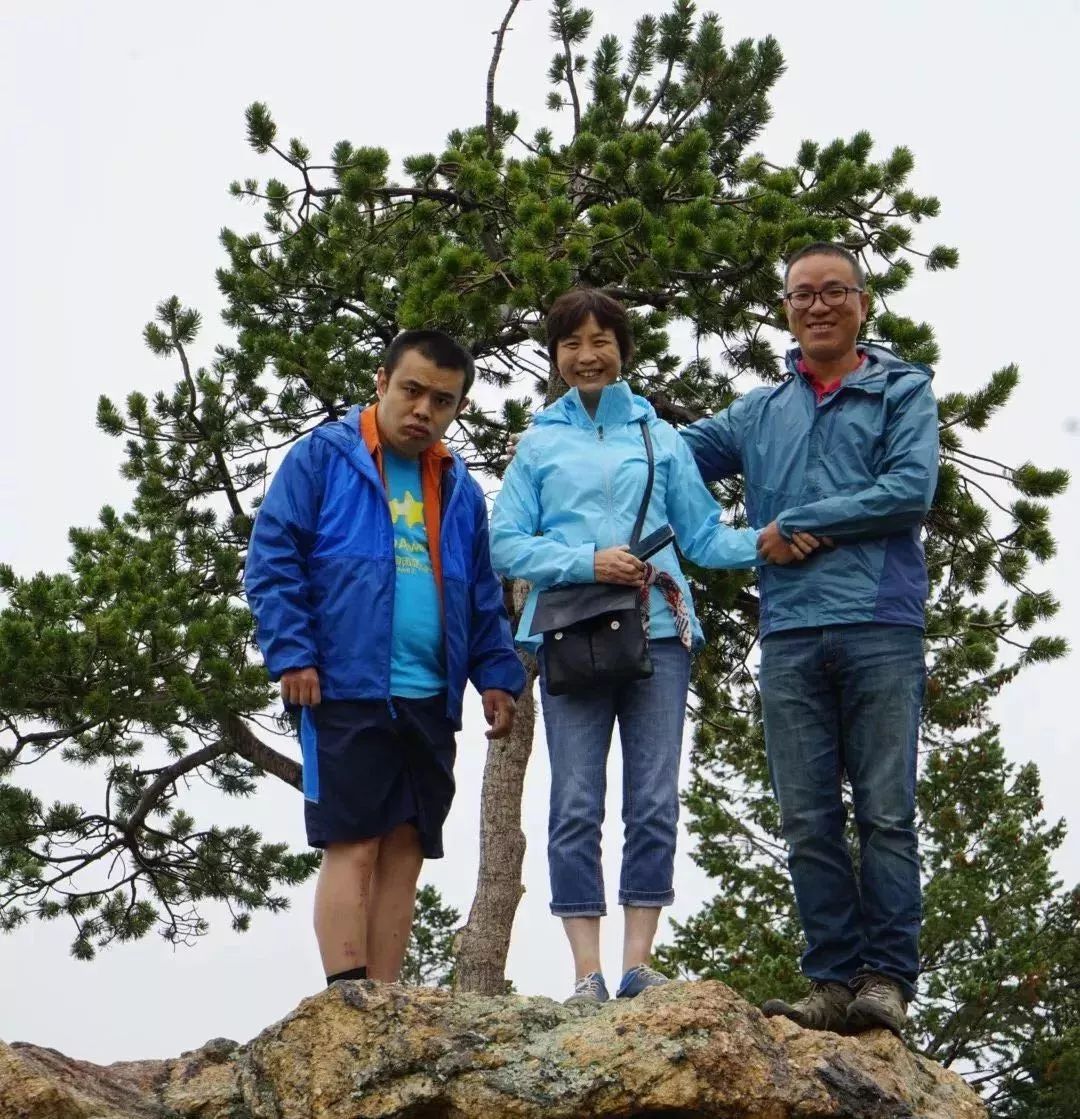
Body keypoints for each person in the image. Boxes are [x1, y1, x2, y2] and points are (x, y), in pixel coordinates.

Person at [489, 289, 820, 1007]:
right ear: (555, 356)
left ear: (623, 349)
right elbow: (506, 540)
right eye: (571, 342)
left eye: (601, 338)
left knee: (652, 799)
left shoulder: (659, 437)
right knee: (575, 800)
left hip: (660, 633)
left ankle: (638, 964)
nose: (587, 354)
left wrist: (766, 543)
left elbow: (701, 537)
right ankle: (586, 973)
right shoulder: (540, 442)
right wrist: (588, 559)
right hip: (570, 633)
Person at [682, 242, 940, 1036]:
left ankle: (886, 978)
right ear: (786, 309)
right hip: (789, 630)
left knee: (887, 811)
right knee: (806, 818)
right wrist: (724, 537)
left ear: (863, 301)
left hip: (881, 624)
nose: (818, 304)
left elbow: (908, 490)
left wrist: (793, 524)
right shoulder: (758, 411)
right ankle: (832, 978)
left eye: (835, 291)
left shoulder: (901, 388)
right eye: (802, 294)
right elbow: (668, 457)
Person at [244, 329, 525, 987]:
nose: (424, 409)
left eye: (443, 399)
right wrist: (294, 652)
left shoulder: (458, 488)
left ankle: (387, 1000)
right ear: (381, 382)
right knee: (355, 839)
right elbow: (272, 558)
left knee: (406, 843)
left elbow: (481, 593)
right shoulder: (323, 458)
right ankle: (348, 994)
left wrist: (498, 674)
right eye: (413, 390)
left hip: (430, 693)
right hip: (342, 685)